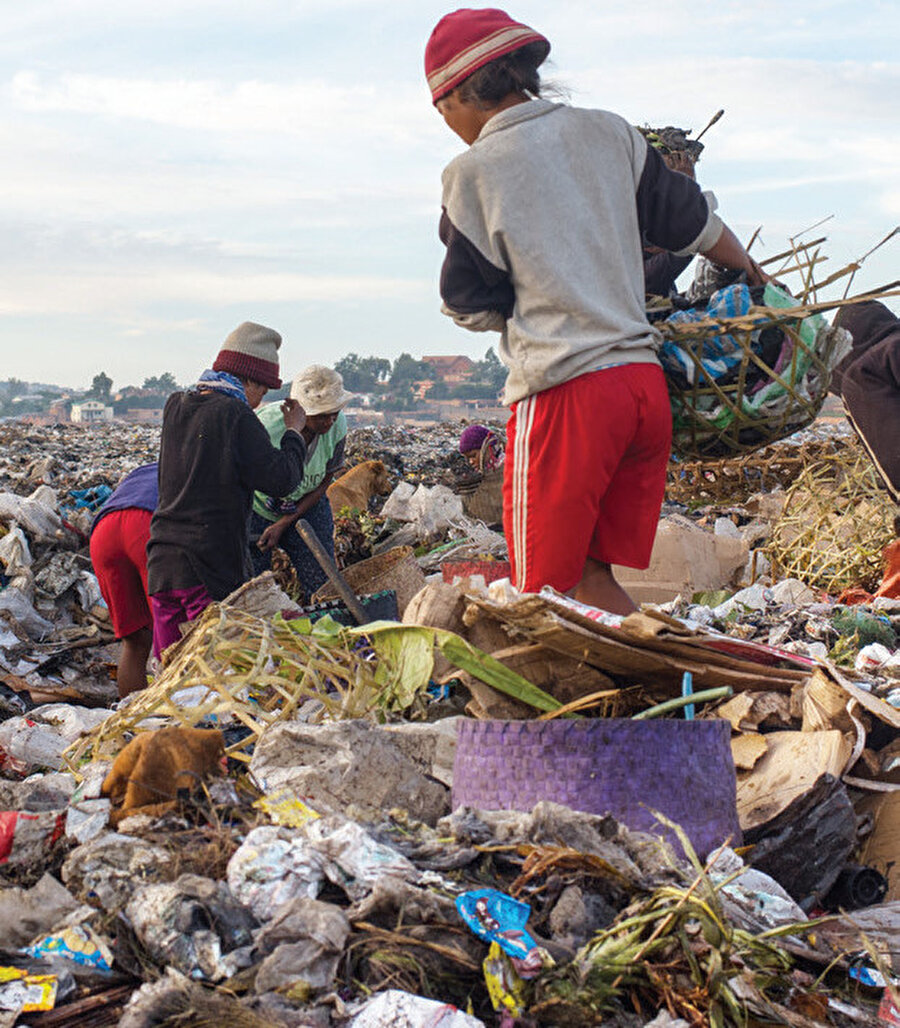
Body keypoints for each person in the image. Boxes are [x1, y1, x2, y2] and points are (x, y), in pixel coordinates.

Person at [426, 7, 767, 614]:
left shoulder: (471, 173)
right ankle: (671, 687)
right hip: (641, 393)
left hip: (567, 397)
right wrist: (748, 271)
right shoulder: (611, 133)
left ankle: (574, 712)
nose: (445, 122)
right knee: (594, 584)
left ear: (457, 95)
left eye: (441, 108)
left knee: (539, 601)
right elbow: (696, 223)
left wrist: (530, 296)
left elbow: (466, 304)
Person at [146, 322, 307, 658]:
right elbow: (282, 480)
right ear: (249, 378)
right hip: (206, 568)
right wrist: (294, 432)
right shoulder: (234, 413)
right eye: (262, 392)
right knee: (210, 675)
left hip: (162, 564)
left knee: (170, 672)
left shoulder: (176, 405)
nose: (258, 402)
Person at [249, 365, 353, 596]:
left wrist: (284, 523)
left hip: (308, 506)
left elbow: (325, 479)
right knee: (256, 588)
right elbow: (240, 477)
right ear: (298, 410)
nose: (330, 421)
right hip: (257, 509)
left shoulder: (337, 427)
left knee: (322, 583)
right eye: (322, 415)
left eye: (334, 413)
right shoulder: (264, 426)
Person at [89, 463, 158, 697]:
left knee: (135, 641)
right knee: (173, 638)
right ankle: (174, 720)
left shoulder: (144, 469)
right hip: (147, 526)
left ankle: (129, 721)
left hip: (103, 532)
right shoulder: (192, 469)